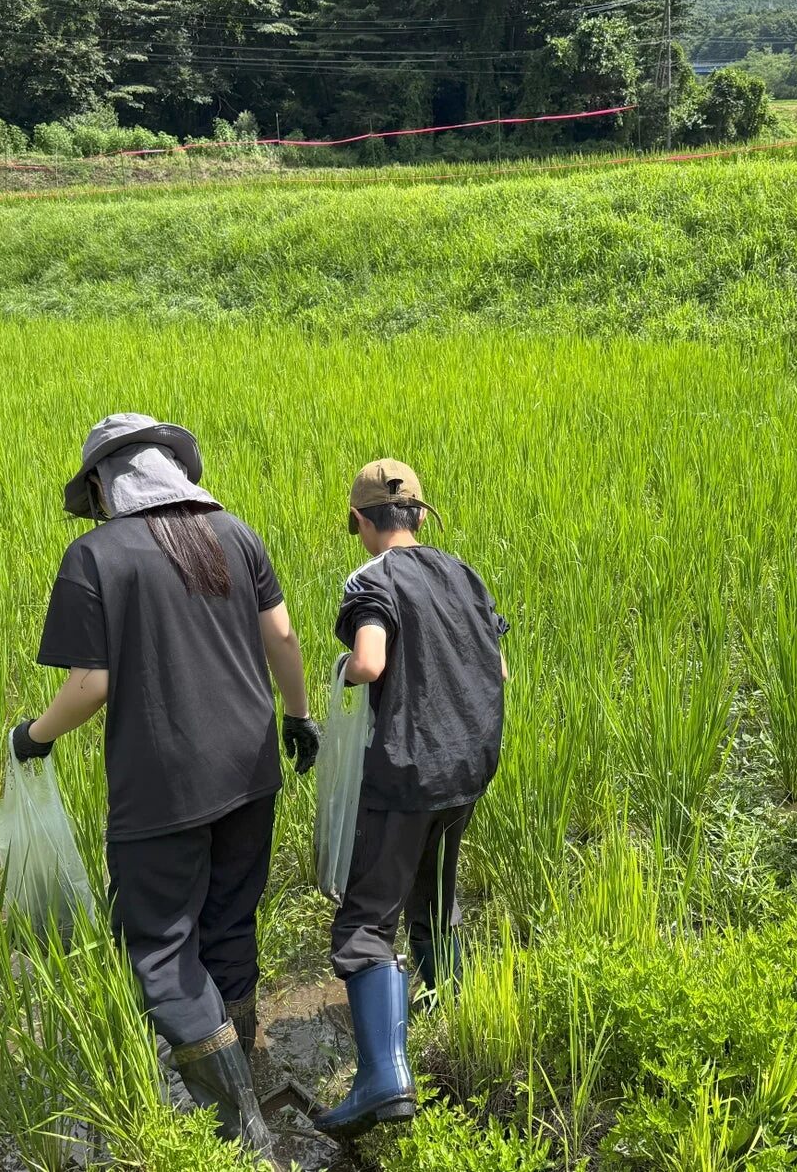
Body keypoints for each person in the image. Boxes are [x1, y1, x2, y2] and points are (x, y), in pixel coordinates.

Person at [10, 414, 316, 1157]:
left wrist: (33, 737)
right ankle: (241, 1085)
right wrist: (300, 717)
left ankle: (238, 1132)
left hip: (165, 786)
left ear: (101, 486)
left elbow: (92, 684)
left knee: (161, 952)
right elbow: (282, 637)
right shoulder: (235, 535)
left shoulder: (94, 555)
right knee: (230, 924)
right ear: (175, 470)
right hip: (251, 771)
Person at [315, 460, 509, 1140]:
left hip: (405, 774)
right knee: (435, 898)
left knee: (366, 923)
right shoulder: (465, 573)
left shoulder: (372, 580)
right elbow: (499, 664)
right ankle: (445, 1022)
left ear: (363, 524)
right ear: (422, 517)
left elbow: (369, 661)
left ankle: (385, 1078)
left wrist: (341, 671)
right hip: (468, 768)